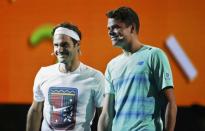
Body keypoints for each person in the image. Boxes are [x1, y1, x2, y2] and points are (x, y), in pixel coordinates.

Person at [98, 7, 177, 131]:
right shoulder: (111, 65)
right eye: (109, 28)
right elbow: (107, 113)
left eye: (116, 27)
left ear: (132, 28)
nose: (110, 32)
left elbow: (170, 102)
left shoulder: (154, 55)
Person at [26, 22, 104, 131]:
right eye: (56, 45)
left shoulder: (95, 77)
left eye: (65, 44)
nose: (60, 50)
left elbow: (104, 115)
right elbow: (35, 110)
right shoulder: (43, 74)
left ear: (77, 45)